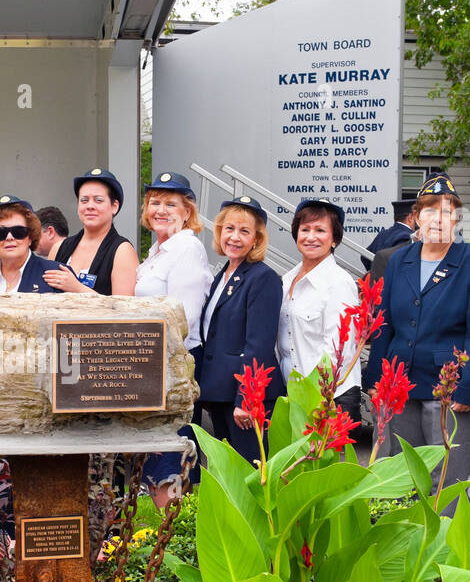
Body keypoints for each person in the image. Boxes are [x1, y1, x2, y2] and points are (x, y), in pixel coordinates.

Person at [366, 174, 470, 489]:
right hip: (399, 386)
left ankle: (446, 538)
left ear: (457, 219)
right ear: (415, 218)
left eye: (447, 212)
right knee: (399, 473)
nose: (438, 219)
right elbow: (384, 322)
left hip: (448, 390)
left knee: (447, 478)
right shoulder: (398, 262)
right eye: (429, 210)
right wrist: (374, 380)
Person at [135, 172, 213, 504]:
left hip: (173, 370)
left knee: (170, 463)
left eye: (171, 204)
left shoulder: (187, 248)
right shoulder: (157, 250)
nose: (161, 210)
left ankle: (173, 537)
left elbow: (184, 320)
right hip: (151, 367)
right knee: (153, 458)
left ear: (187, 212)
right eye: (155, 203)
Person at [196, 196, 284, 465]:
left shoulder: (263, 277)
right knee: (230, 478)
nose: (234, 237)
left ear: (256, 239)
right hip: (221, 394)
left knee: (250, 476)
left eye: (244, 231)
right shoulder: (222, 276)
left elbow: (258, 345)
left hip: (246, 400)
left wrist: (247, 399)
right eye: (229, 229)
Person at [276, 198, 361, 412]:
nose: (311, 237)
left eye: (320, 230)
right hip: (294, 393)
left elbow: (339, 350)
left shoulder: (339, 282)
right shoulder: (288, 279)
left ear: (334, 239)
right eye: (305, 229)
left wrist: (314, 395)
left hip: (328, 397)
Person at [43, 167, 139, 296]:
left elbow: (125, 310)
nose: (90, 206)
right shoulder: (58, 248)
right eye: (84, 200)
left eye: (98, 200)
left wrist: (77, 288)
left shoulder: (122, 251)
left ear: (114, 206)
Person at [0, 195, 68, 293]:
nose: (9, 238)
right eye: (0, 233)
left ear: (30, 237)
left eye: (18, 232)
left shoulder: (58, 274)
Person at [364, 197, 417, 269]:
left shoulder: (383, 233)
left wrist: (374, 272)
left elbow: (365, 256)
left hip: (378, 279)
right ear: (410, 218)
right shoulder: (407, 236)